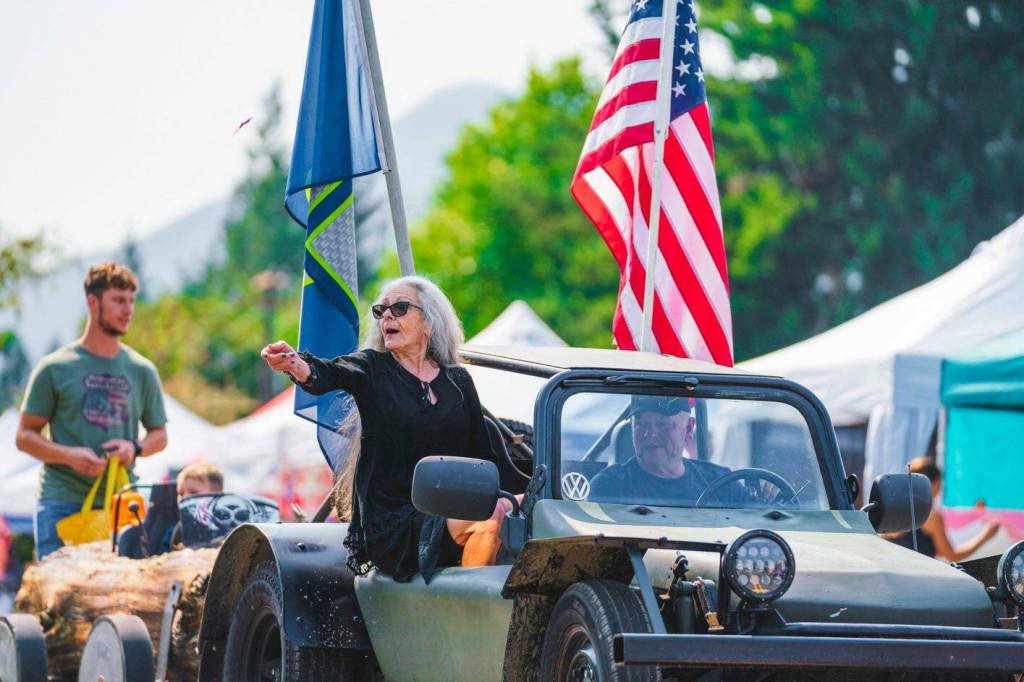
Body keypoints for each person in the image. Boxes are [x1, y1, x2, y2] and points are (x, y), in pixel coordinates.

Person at [261, 276, 510, 582]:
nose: (387, 316)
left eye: (400, 307)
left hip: (449, 509)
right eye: (381, 311)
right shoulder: (371, 368)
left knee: (513, 505)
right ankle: (476, 617)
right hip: (394, 522)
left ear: (430, 323)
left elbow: (483, 457)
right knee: (489, 517)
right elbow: (329, 373)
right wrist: (294, 363)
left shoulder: (458, 381)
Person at [16, 263, 168, 560]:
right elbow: (24, 436)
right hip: (62, 503)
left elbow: (160, 436)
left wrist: (133, 448)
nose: (128, 310)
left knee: (119, 603)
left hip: (121, 507)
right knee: (58, 602)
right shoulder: (54, 368)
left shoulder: (142, 370)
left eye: (131, 301)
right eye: (118, 300)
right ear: (92, 302)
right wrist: (69, 456)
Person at [588, 396, 741, 506]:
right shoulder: (610, 488)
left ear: (688, 429)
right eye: (641, 424)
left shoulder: (723, 485)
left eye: (664, 425)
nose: (650, 434)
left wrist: (764, 497)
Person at [890, 456, 1001, 561]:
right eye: (939, 486)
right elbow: (952, 555)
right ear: (932, 485)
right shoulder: (931, 517)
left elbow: (939, 551)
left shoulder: (894, 507)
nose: (940, 490)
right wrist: (986, 536)